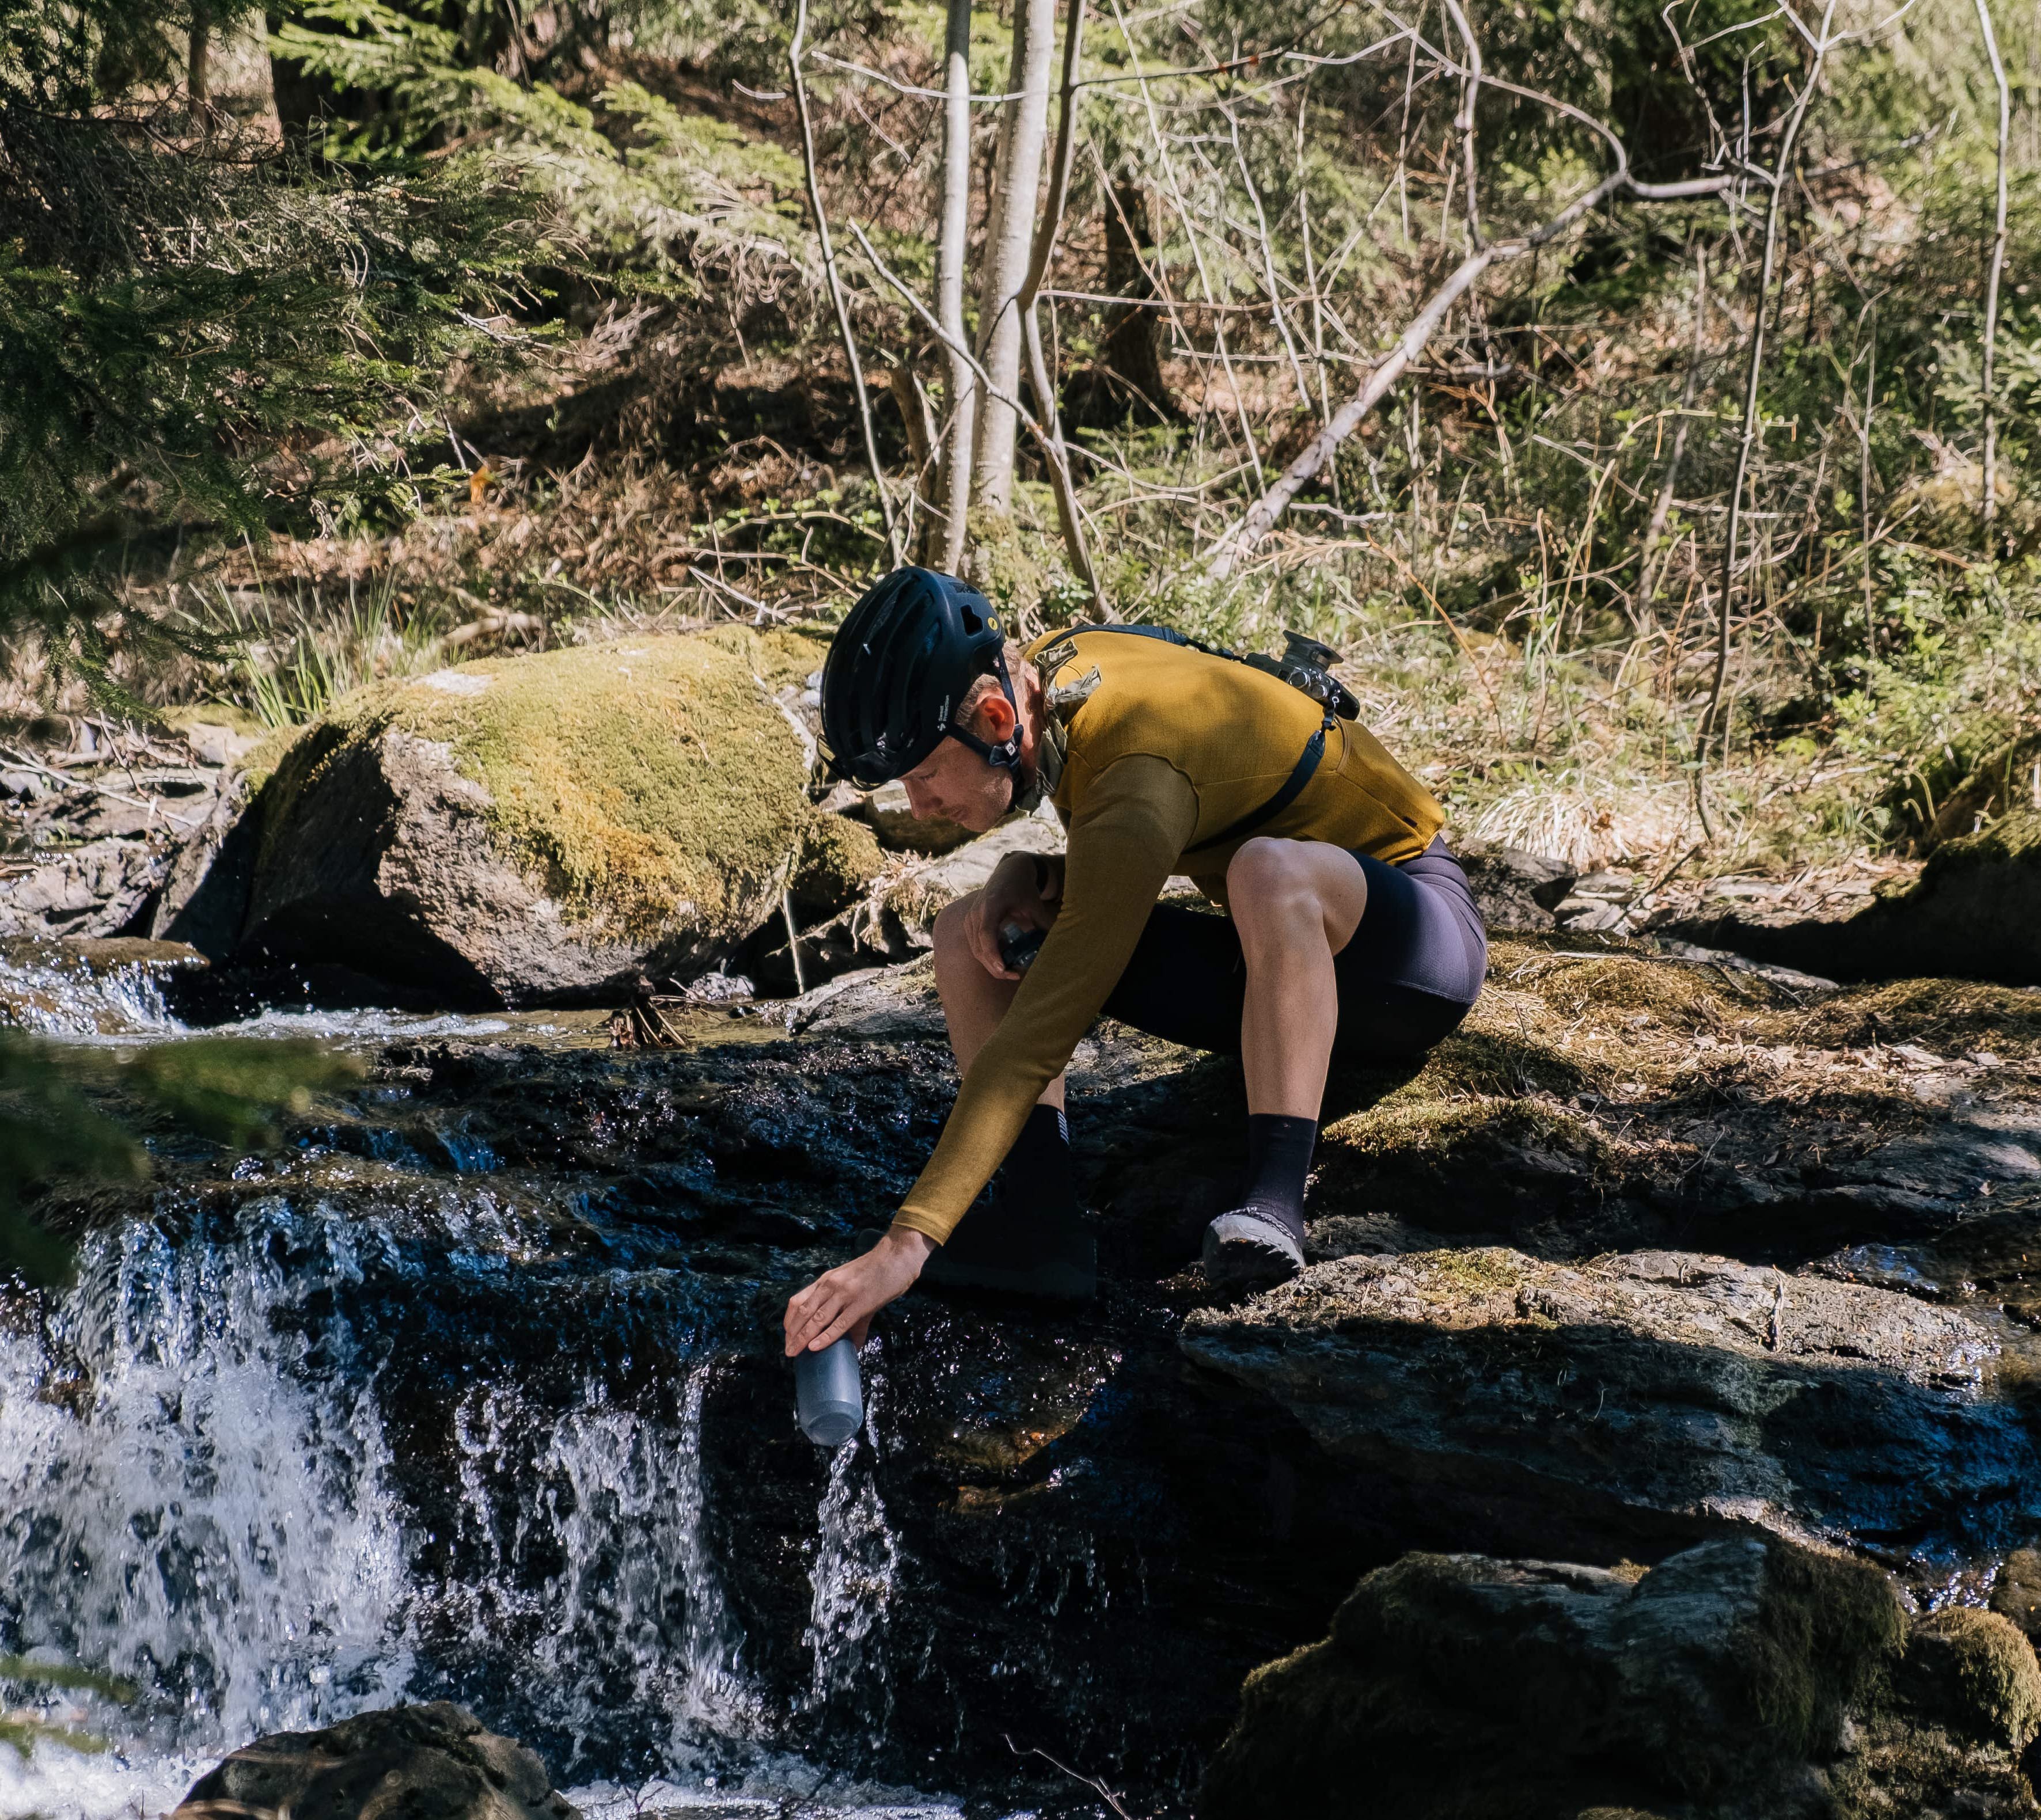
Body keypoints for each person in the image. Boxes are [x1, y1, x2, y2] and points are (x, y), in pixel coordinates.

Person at [782, 567, 1485, 1361]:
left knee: (1267, 870)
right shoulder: (1053, 677)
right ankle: (1039, 1231)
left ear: (993, 716)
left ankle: (1274, 1207)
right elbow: (1111, 867)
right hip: (1276, 969)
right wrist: (1033, 876)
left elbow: (1043, 1029)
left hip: (1411, 948)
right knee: (968, 931)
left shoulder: (1136, 768)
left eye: (923, 776)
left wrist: (903, 1247)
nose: (917, 807)